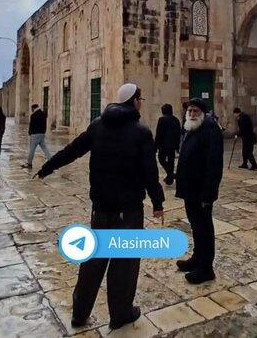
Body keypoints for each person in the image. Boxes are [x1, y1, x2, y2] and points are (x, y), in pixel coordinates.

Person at [34, 83, 164, 329]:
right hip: (128, 211)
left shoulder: (98, 125)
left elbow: (73, 150)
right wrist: (158, 202)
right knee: (123, 264)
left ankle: (79, 313)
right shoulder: (141, 132)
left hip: (100, 209)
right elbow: (149, 173)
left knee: (93, 262)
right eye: (141, 98)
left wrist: (47, 168)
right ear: (135, 101)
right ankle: (121, 313)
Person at [175, 98, 223, 284]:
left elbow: (214, 165)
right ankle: (197, 258)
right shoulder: (192, 128)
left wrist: (209, 193)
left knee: (204, 228)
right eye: (190, 111)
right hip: (190, 190)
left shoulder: (210, 131)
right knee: (195, 226)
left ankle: (206, 268)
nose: (192, 114)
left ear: (203, 113)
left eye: (195, 111)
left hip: (201, 192)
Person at [154, 103, 181, 185]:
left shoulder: (162, 120)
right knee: (171, 162)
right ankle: (170, 178)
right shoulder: (176, 119)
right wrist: (177, 145)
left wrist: (156, 146)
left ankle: (170, 175)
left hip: (163, 145)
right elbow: (178, 133)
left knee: (161, 159)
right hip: (172, 145)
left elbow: (159, 133)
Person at [22, 104, 52, 169]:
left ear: (33, 108)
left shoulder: (33, 116)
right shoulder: (43, 114)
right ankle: (51, 161)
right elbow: (45, 124)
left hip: (34, 135)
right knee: (45, 149)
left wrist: (30, 133)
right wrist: (43, 132)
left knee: (32, 150)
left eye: (32, 109)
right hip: (41, 134)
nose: (31, 110)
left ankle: (29, 164)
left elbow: (31, 126)